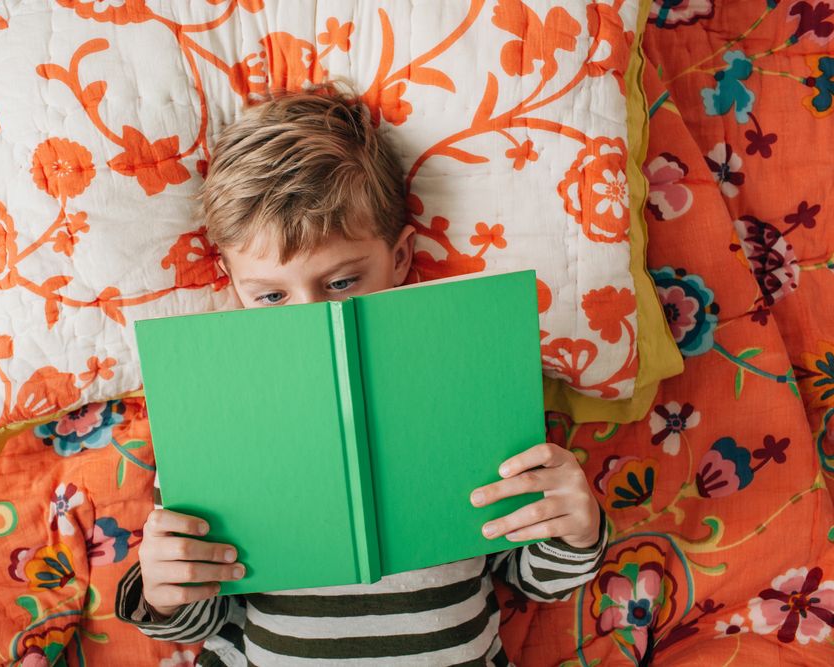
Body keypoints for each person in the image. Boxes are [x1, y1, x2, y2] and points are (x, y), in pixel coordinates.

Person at [116, 85, 607, 665]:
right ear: (232, 284)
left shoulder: (466, 388)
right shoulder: (220, 413)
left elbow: (533, 580)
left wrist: (578, 529)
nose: (310, 316)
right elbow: (200, 615)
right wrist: (163, 589)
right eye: (271, 295)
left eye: (342, 283)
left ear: (400, 258)